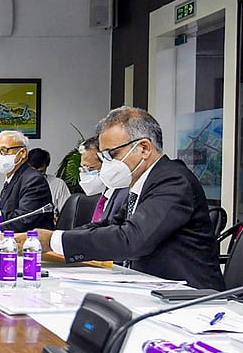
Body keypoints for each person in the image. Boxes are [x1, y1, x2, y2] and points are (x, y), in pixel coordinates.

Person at [25, 107, 224, 290]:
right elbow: (111, 225)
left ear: (144, 148)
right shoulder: (141, 183)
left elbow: (133, 238)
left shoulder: (173, 180)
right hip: (152, 290)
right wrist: (53, 239)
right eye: (103, 157)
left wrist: (54, 240)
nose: (107, 164)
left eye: (112, 154)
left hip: (192, 298)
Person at [0, 130, 53, 233]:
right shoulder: (13, 178)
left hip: (31, 245)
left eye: (4, 150)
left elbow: (22, 222)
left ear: (22, 153)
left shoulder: (33, 180)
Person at [78, 136, 127, 222]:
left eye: (90, 168)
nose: (85, 173)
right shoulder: (106, 192)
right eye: (83, 168)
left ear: (107, 163)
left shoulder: (125, 194)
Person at [27, 148, 71, 215]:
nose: (36, 175)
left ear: (46, 166)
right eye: (33, 171)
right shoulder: (18, 184)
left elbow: (68, 213)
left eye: (41, 171)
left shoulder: (58, 184)